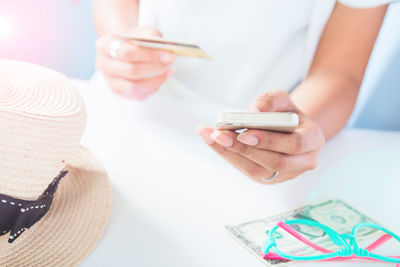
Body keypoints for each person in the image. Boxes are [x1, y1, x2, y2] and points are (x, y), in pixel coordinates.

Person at [93, 0, 396, 184]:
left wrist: (297, 137)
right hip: (130, 113)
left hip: (270, 143)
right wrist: (122, 44)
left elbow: (339, 72)